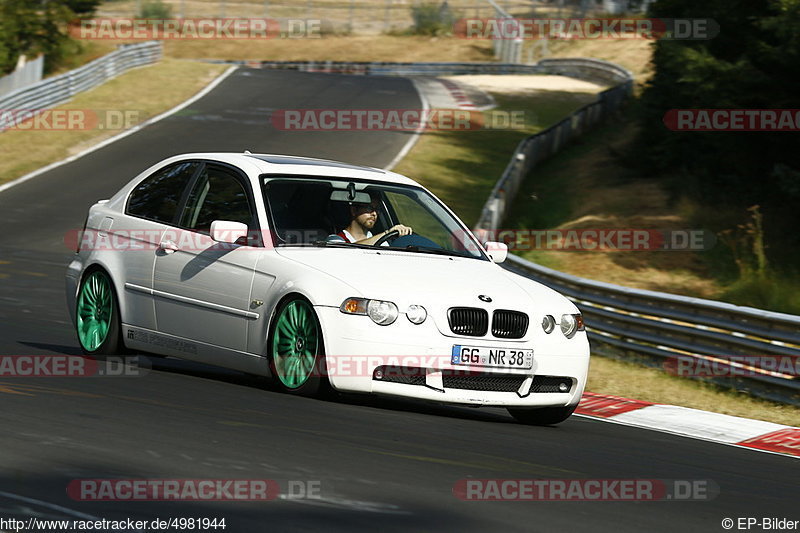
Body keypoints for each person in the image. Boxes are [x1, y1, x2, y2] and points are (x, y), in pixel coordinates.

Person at [336, 197, 412, 245]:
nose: (374, 214)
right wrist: (387, 233)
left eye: (377, 210)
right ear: (354, 211)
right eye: (369, 209)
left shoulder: (382, 241)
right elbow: (348, 250)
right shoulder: (336, 240)